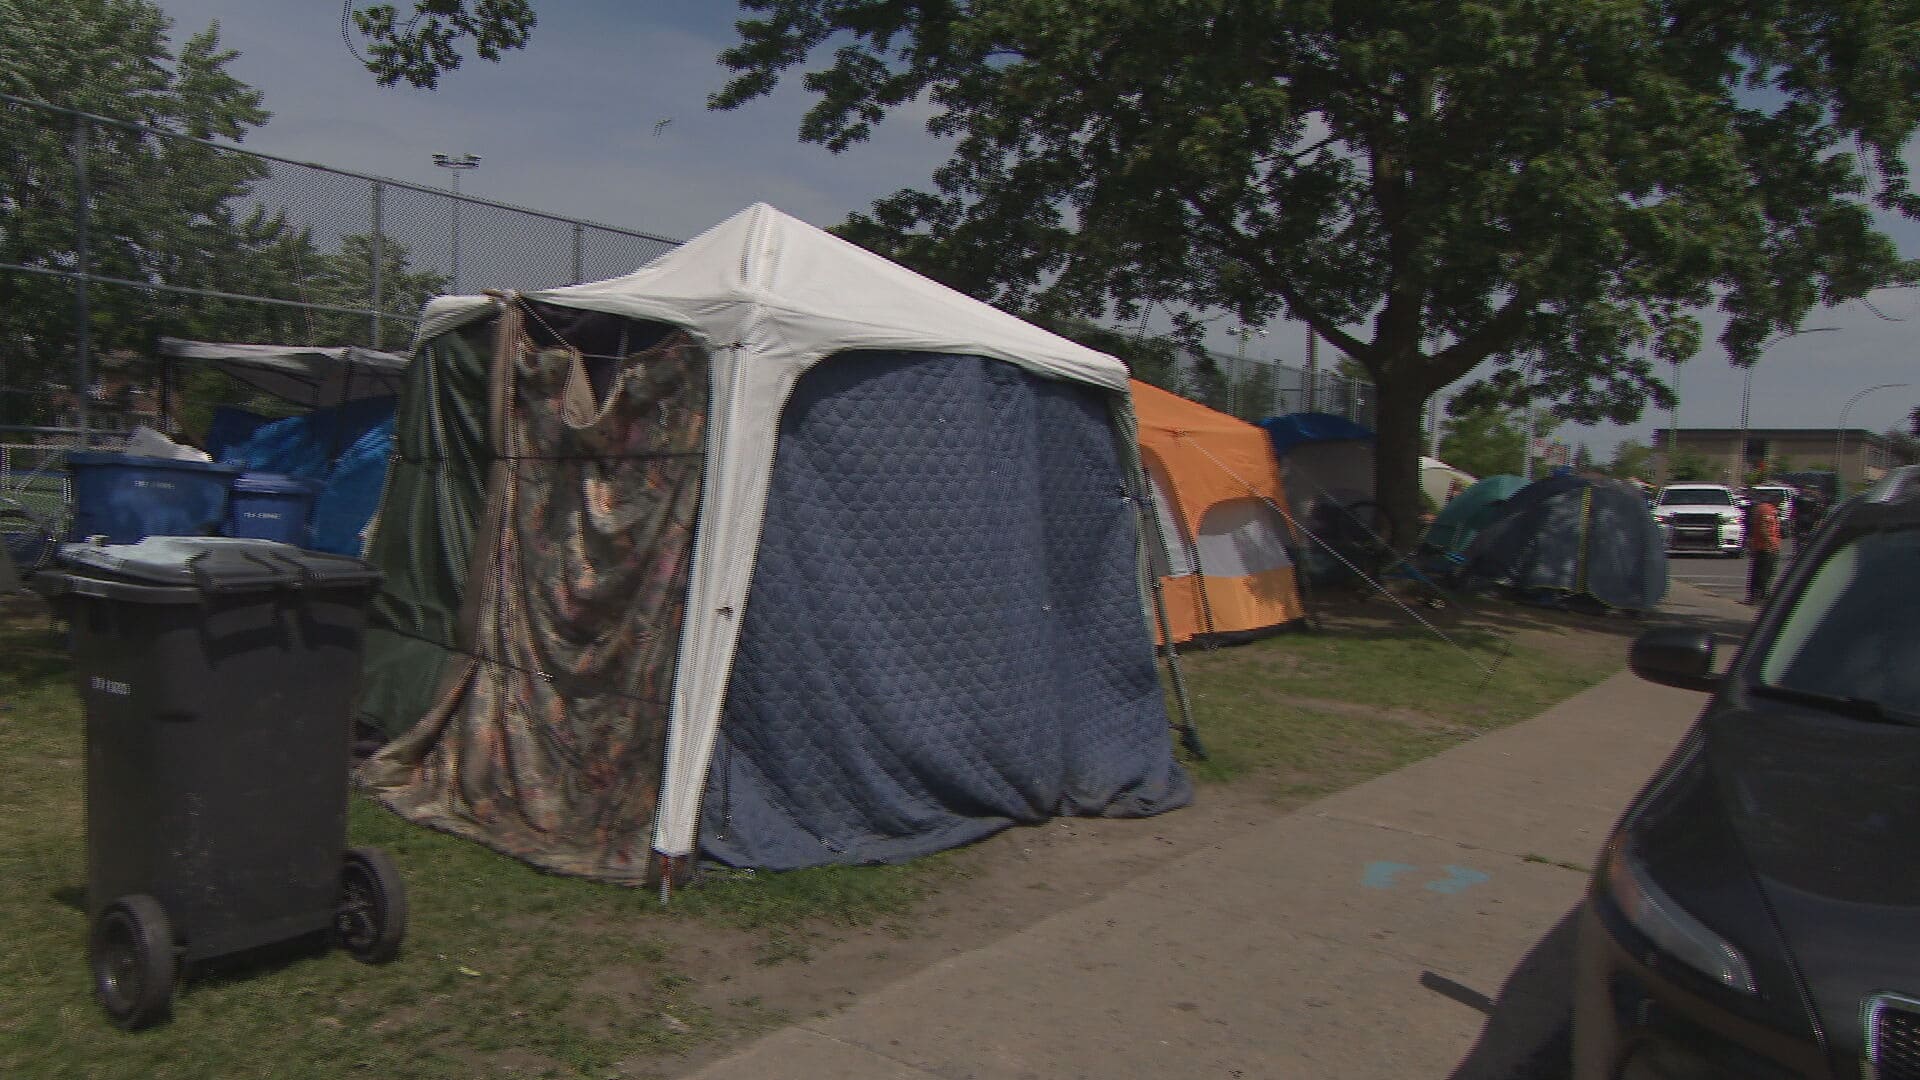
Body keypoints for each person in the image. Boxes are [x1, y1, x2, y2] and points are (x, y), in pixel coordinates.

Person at [1745, 499, 1783, 605]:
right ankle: (1760, 595)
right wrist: (1771, 543)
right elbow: (1764, 528)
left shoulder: (1762, 508)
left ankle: (1755, 595)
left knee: (1759, 571)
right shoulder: (1767, 510)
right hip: (1766, 547)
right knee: (1765, 572)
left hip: (1762, 545)